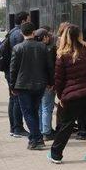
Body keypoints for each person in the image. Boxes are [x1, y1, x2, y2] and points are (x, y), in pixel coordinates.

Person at [49, 25, 86, 164]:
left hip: (72, 95)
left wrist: (60, 96)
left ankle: (56, 154)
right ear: (80, 35)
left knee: (67, 125)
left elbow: (58, 79)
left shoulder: (62, 54)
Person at [9, 22, 54, 150]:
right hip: (40, 84)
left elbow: (13, 69)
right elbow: (49, 67)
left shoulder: (17, 48)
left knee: (28, 113)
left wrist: (12, 86)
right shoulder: (43, 47)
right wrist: (51, 82)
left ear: (22, 33)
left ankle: (37, 139)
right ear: (33, 32)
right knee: (33, 111)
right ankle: (34, 139)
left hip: (23, 86)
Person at [6, 11, 31, 137]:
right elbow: (18, 56)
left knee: (13, 99)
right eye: (28, 19)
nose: (29, 22)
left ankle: (13, 127)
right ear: (23, 21)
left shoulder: (11, 32)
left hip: (10, 71)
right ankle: (18, 128)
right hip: (15, 72)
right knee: (16, 99)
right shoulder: (19, 34)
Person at [35, 27, 57, 141]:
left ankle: (41, 129)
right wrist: (52, 83)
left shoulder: (30, 49)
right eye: (48, 36)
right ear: (44, 38)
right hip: (46, 84)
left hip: (34, 84)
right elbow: (50, 68)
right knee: (47, 108)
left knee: (39, 108)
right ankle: (46, 132)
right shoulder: (47, 50)